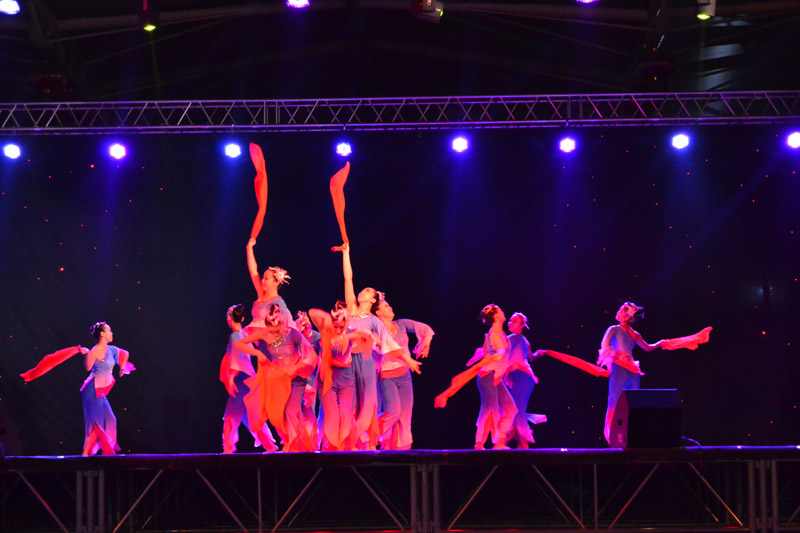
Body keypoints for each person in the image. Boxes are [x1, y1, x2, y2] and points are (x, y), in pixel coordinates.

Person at [337, 242, 406, 449]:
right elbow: (348, 278)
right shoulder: (351, 309)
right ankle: (349, 442)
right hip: (348, 362)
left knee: (368, 402)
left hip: (366, 363)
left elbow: (386, 342)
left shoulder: (374, 320)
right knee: (350, 402)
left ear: (373, 299)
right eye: (363, 290)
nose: (362, 292)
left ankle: (365, 440)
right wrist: (346, 253)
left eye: (367, 291)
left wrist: (406, 359)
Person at [235, 304, 317, 451]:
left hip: (296, 379)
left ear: (282, 323)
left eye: (277, 329)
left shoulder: (293, 333)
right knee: (278, 414)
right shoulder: (265, 334)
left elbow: (311, 354)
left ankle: (294, 447)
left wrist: (296, 368)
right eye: (272, 330)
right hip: (279, 380)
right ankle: (296, 443)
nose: (275, 333)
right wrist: (257, 353)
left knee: (291, 411)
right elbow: (240, 344)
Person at [597, 302, 667, 444]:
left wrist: (660, 343)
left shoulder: (634, 334)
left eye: (621, 310)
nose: (618, 312)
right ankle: (613, 435)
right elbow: (605, 345)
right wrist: (617, 356)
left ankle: (631, 435)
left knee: (631, 402)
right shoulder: (614, 329)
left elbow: (647, 347)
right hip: (620, 367)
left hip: (632, 370)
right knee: (615, 401)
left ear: (628, 316)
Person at [309, 305, 374, 450]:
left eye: (342, 327)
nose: (338, 330)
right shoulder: (325, 331)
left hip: (345, 379)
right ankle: (333, 448)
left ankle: (344, 447)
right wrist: (329, 318)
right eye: (336, 326)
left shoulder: (350, 333)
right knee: (332, 416)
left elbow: (368, 337)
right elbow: (312, 312)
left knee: (345, 414)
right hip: (328, 379)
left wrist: (349, 337)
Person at [372, 298, 430, 450]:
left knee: (405, 417)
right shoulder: (375, 332)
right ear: (378, 312)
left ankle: (403, 452)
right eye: (386, 306)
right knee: (393, 411)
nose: (390, 307)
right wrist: (408, 360)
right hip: (387, 377)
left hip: (404, 376)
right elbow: (389, 350)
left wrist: (425, 344)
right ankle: (370, 435)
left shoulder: (401, 324)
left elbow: (425, 329)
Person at [220, 304, 278, 453]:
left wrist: (231, 377)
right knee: (252, 416)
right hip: (249, 379)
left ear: (229, 319)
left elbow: (237, 358)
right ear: (242, 319)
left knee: (231, 415)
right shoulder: (245, 335)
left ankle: (228, 447)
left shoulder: (235, 336)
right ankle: (270, 445)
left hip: (241, 379)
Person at [81, 322, 133, 456]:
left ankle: (106, 448)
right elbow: (87, 367)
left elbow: (125, 353)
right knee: (96, 424)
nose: (112, 333)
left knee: (111, 419)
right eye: (109, 331)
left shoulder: (111, 349)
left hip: (99, 389)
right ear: (102, 334)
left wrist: (122, 367)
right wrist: (86, 354)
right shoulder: (94, 352)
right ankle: (87, 453)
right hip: (92, 389)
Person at [475, 304, 517, 450]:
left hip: (496, 377)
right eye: (499, 310)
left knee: (510, 408)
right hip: (488, 376)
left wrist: (503, 372)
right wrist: (498, 357)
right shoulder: (493, 334)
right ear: (496, 316)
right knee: (490, 409)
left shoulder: (500, 333)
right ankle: (479, 443)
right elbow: (497, 354)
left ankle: (498, 442)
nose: (502, 311)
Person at [504, 312, 545, 448]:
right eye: (510, 320)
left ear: (522, 325)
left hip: (522, 377)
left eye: (515, 321)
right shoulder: (524, 340)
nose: (510, 323)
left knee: (517, 410)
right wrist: (538, 354)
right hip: (524, 379)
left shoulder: (513, 338)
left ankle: (522, 445)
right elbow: (531, 357)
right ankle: (518, 443)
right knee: (516, 410)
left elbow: (499, 349)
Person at [245, 238, 295, 331]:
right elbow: (253, 271)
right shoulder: (261, 294)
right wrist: (249, 248)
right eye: (263, 278)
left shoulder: (279, 303)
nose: (262, 280)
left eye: (266, 279)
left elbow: (289, 326)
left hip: (264, 338)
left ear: (276, 283)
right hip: (252, 334)